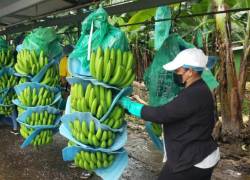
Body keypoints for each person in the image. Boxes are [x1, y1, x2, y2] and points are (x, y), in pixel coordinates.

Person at [119, 48, 220, 180]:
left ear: (190, 72)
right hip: (199, 152)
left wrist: (131, 106)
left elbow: (161, 115)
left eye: (178, 70)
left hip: (193, 160)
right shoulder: (199, 88)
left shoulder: (194, 93)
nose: (175, 73)